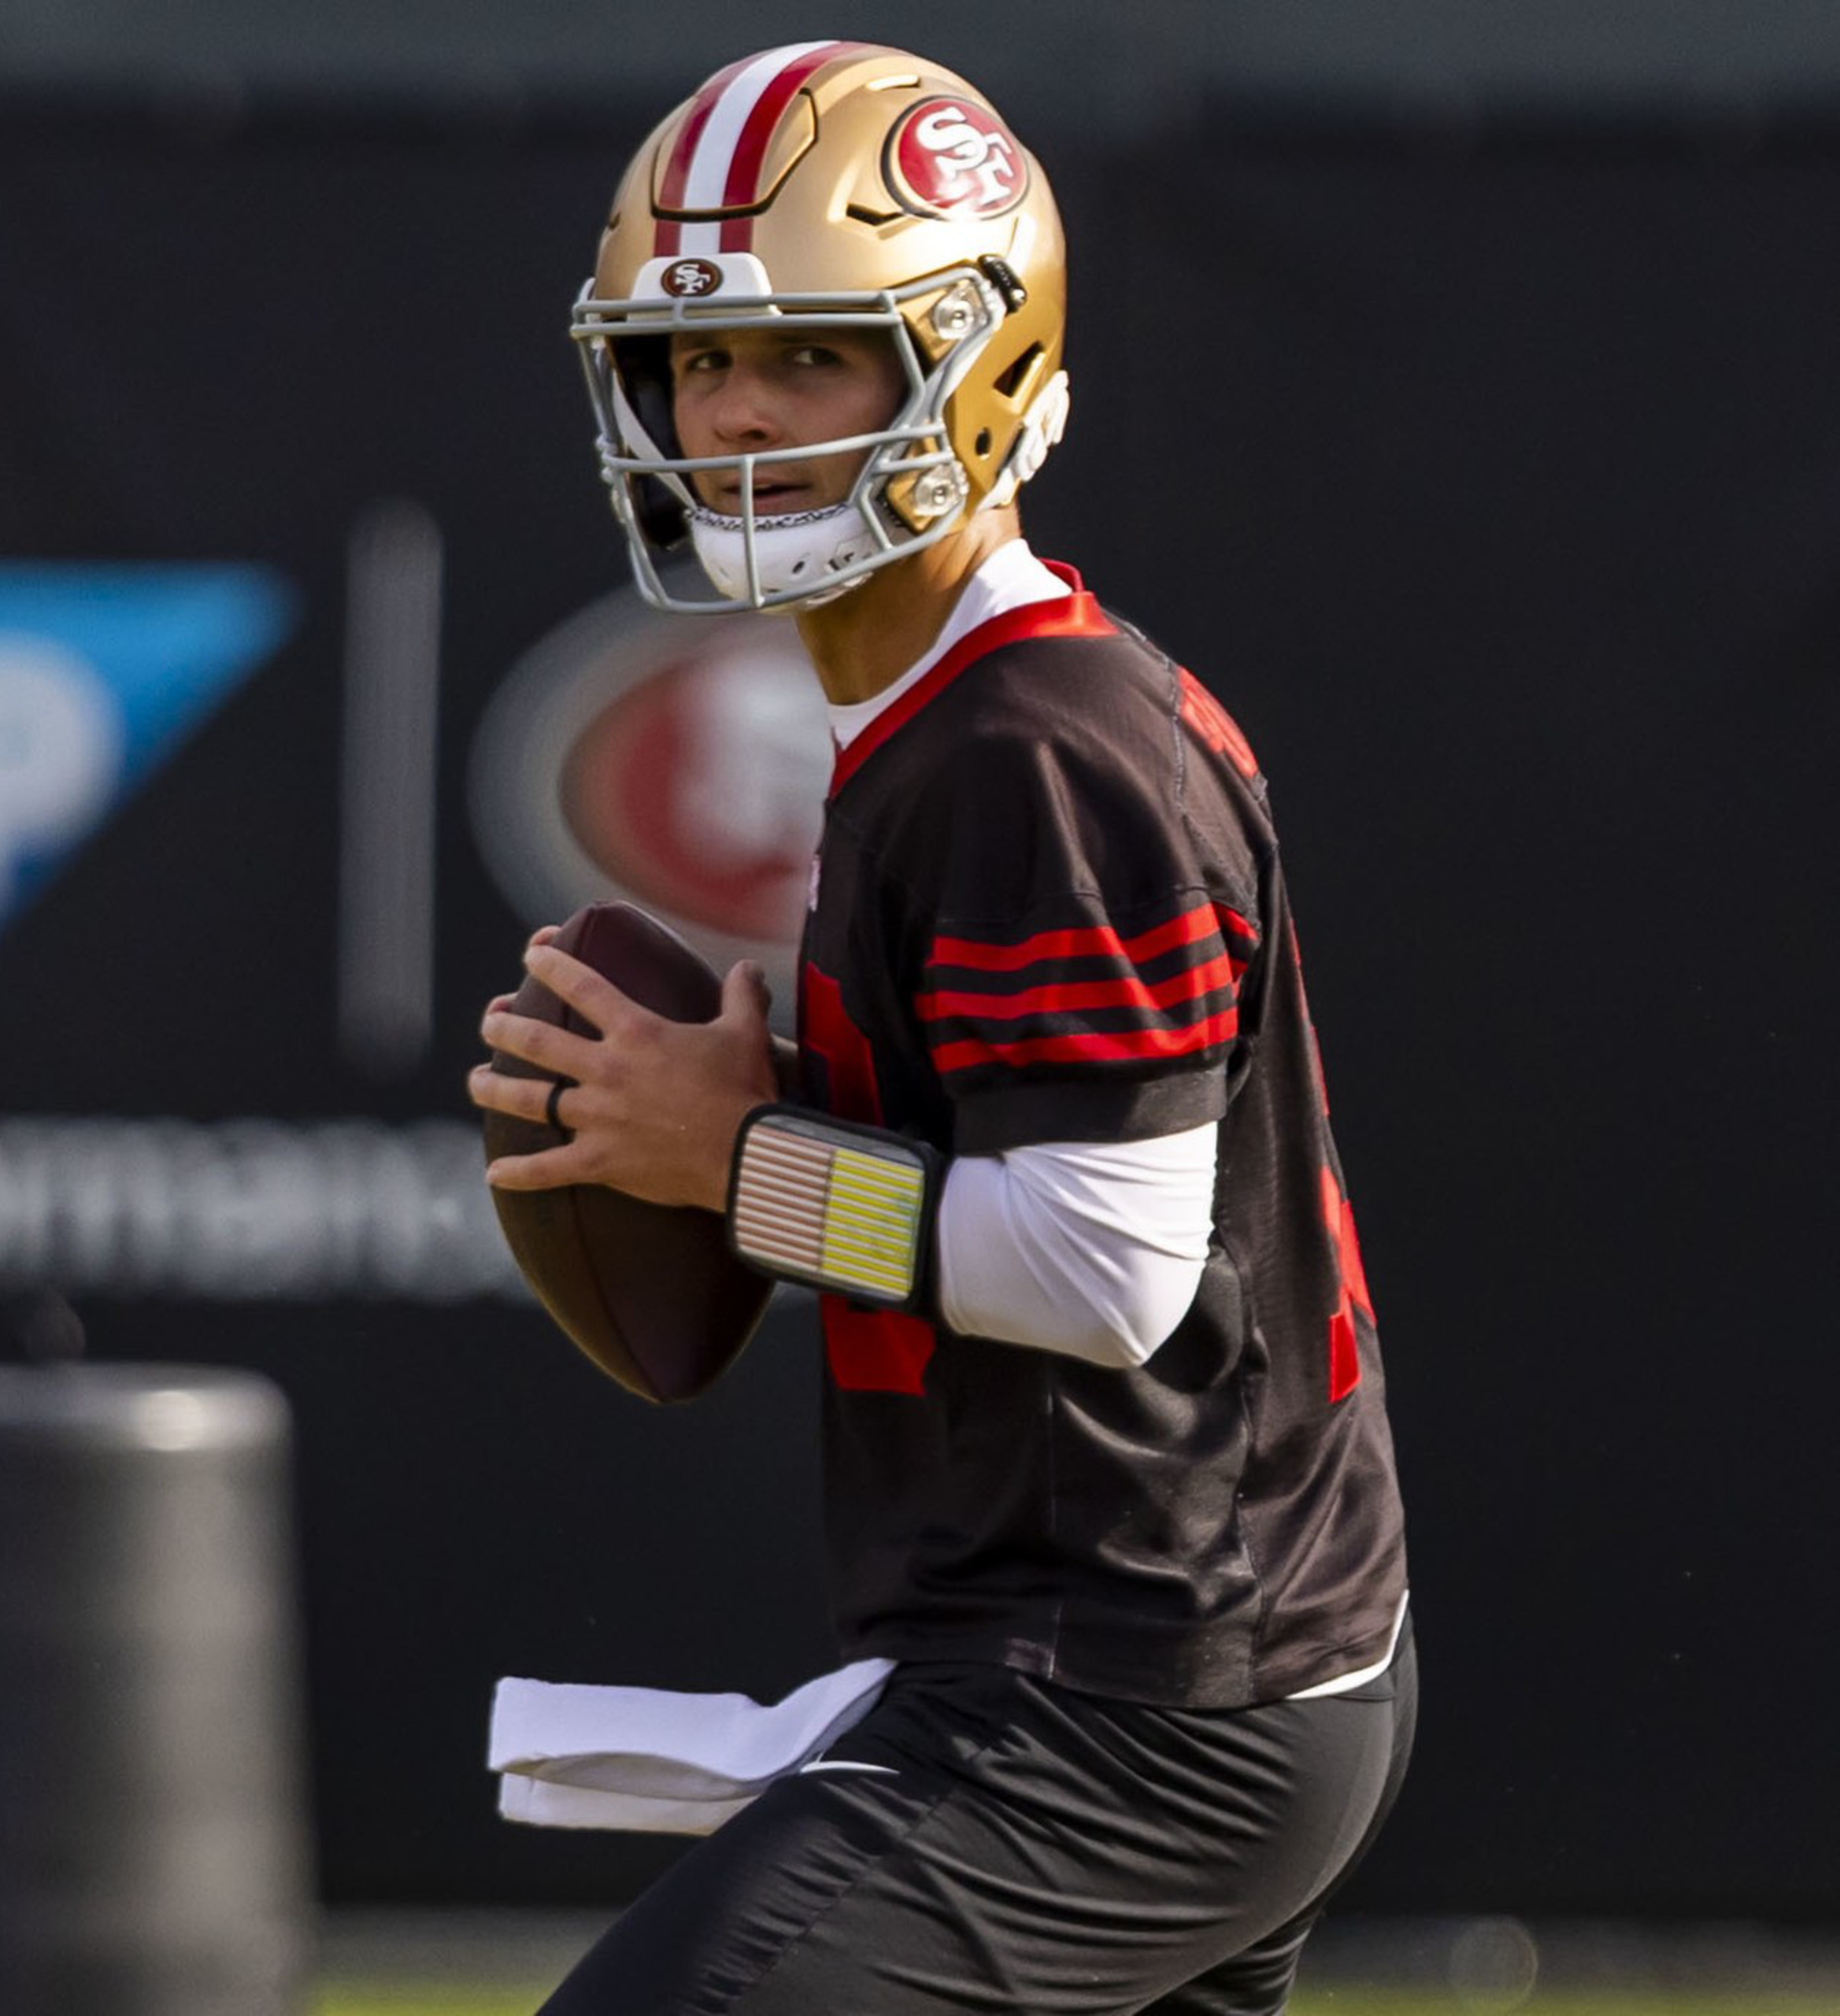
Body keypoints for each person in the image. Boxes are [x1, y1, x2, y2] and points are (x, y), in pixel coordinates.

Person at [465, 40, 1413, 2014]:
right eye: (690, 362)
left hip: (1132, 1697)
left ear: (971, 363)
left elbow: (1106, 1266)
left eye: (811, 356)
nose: (733, 413)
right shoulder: (963, 720)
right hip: (1177, 1664)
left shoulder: (1031, 750)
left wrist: (728, 1160)